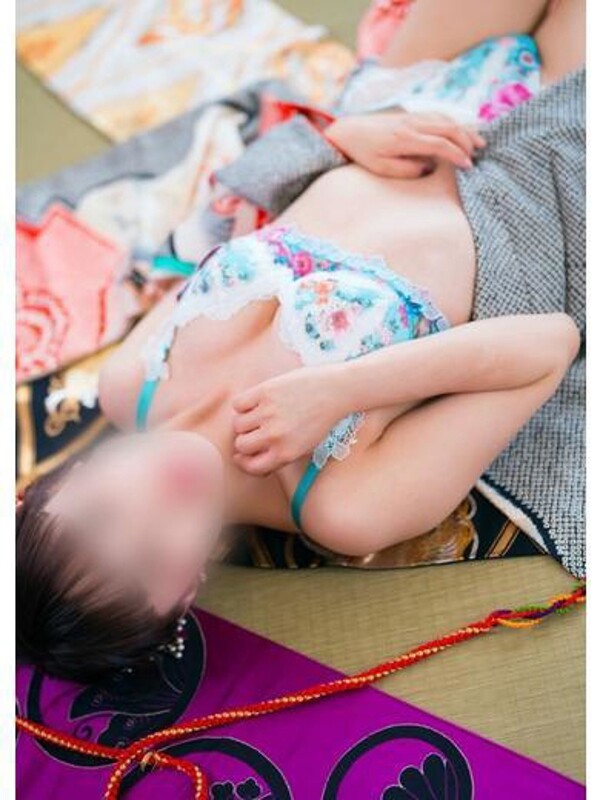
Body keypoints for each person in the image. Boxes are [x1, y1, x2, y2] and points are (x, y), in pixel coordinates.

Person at [16, 0, 584, 682]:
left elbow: (247, 216)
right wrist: (341, 389)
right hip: (541, 191)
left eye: (104, 512)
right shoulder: (342, 506)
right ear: (187, 590)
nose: (153, 508)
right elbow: (550, 344)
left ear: (69, 477)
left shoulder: (130, 381)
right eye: (150, 557)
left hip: (410, 107)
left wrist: (340, 140)